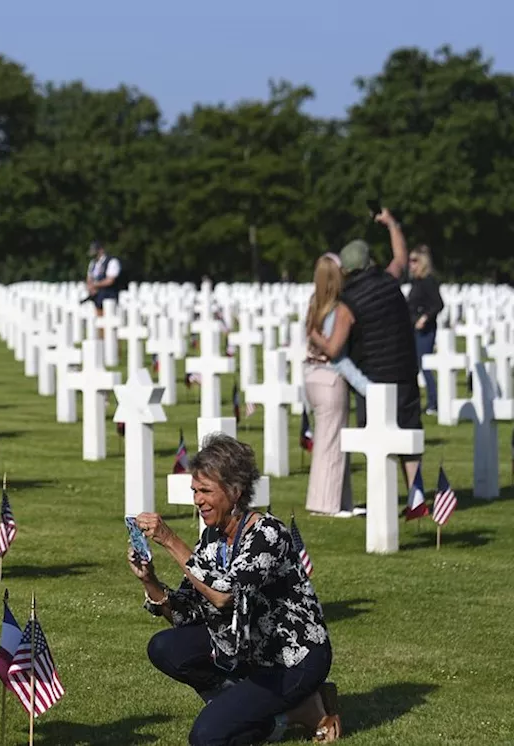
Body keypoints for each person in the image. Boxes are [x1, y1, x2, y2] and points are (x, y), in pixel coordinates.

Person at [130, 434, 340, 744]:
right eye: (194, 491)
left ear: (234, 492)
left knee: (206, 738)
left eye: (205, 491)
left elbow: (225, 595)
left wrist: (169, 539)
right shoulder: (212, 539)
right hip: (246, 650)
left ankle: (295, 712)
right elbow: (185, 613)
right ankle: (265, 708)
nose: (198, 500)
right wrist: (149, 580)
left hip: (291, 658)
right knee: (165, 647)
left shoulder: (268, 533)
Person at [308, 208, 422, 492]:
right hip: (405, 369)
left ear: (346, 270)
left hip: (375, 379)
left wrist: (315, 336)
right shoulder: (388, 279)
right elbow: (400, 257)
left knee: (379, 440)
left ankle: (382, 495)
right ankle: (415, 495)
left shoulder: (348, 302)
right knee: (409, 435)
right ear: (370, 260)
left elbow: (334, 348)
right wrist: (392, 224)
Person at [303, 253, 369, 516]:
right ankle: (325, 505)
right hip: (331, 379)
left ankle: (342, 502)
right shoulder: (336, 309)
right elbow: (336, 354)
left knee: (332, 442)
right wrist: (365, 386)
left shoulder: (314, 305)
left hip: (312, 376)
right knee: (331, 444)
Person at [406, 246, 444, 415]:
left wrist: (425, 317)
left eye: (414, 260)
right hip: (413, 328)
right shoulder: (417, 281)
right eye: (410, 260)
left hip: (425, 330)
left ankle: (433, 402)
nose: (411, 264)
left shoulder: (428, 281)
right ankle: (415, 402)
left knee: (425, 365)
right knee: (413, 366)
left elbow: (438, 304)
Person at [85, 240, 122, 314]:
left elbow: (110, 280)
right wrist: (90, 287)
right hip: (95, 296)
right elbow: (89, 278)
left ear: (101, 250)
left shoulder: (112, 262)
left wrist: (95, 285)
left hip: (108, 296)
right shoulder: (93, 263)